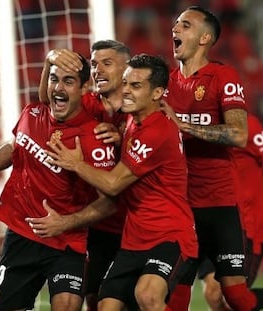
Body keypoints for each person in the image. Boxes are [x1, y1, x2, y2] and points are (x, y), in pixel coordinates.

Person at [0, 55, 118, 311]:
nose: (58, 87)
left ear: (83, 89)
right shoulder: (32, 113)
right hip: (22, 235)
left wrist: (65, 222)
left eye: (68, 81)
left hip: (67, 242)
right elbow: (16, 147)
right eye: (54, 79)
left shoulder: (95, 138)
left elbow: (110, 203)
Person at [28, 54, 198, 311]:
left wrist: (75, 163)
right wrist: (50, 59)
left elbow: (112, 185)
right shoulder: (133, 119)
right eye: (126, 83)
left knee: (148, 296)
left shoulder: (157, 131)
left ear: (157, 93)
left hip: (169, 236)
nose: (126, 91)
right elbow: (48, 99)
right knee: (105, 306)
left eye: (136, 86)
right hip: (134, 239)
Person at [162, 5, 263, 311]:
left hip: (226, 212)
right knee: (172, 293)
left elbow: (239, 135)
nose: (175, 28)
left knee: (229, 297)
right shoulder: (167, 85)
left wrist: (184, 126)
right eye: (176, 23)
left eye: (185, 25)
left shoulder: (223, 77)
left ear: (205, 38)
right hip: (182, 210)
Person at [38, 39, 131, 311]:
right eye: (94, 64)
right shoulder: (88, 103)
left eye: (107, 63)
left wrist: (124, 137)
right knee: (94, 300)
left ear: (127, 69)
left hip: (138, 223)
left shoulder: (144, 106)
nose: (98, 69)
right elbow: (47, 99)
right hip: (100, 223)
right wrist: (51, 58)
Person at [198, 113, 263, 311]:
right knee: (213, 293)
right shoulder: (196, 121)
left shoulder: (246, 125)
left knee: (232, 299)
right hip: (215, 221)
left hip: (248, 224)